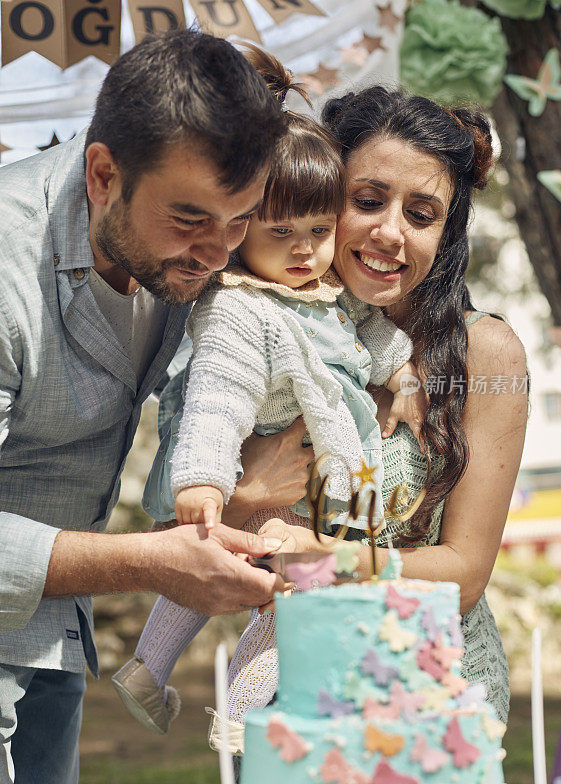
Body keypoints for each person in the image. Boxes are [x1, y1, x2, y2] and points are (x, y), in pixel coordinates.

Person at [0, 29, 319, 784]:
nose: (216, 254)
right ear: (103, 174)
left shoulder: (194, 248)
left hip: (53, 635)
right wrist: (149, 562)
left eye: (239, 221)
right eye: (189, 221)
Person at [112, 49, 426, 742]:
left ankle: (148, 670)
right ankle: (239, 720)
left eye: (318, 232)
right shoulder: (238, 311)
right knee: (287, 598)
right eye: (279, 232)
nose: (304, 252)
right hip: (263, 482)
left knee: (270, 590)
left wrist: (401, 377)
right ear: (238, 228)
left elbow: (366, 340)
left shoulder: (319, 299)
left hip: (322, 478)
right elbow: (217, 398)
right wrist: (201, 477)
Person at [256, 87, 528, 725]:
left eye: (422, 213)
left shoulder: (485, 356)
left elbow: (463, 576)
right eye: (368, 200)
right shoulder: (267, 328)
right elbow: (206, 520)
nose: (390, 232)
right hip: (291, 692)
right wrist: (247, 490)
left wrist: (321, 559)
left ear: (446, 233)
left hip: (434, 705)